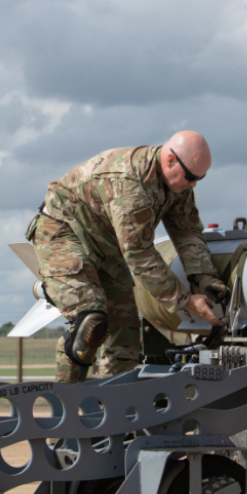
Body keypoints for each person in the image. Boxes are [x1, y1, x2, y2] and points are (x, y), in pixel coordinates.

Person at [25, 131, 229, 383]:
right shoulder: (130, 183)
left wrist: (204, 277)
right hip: (64, 233)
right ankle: (67, 401)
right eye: (190, 177)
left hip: (107, 248)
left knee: (126, 338)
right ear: (170, 161)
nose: (193, 184)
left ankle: (114, 408)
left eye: (200, 178)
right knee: (90, 324)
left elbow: (187, 232)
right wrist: (186, 300)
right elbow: (139, 255)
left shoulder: (179, 185)